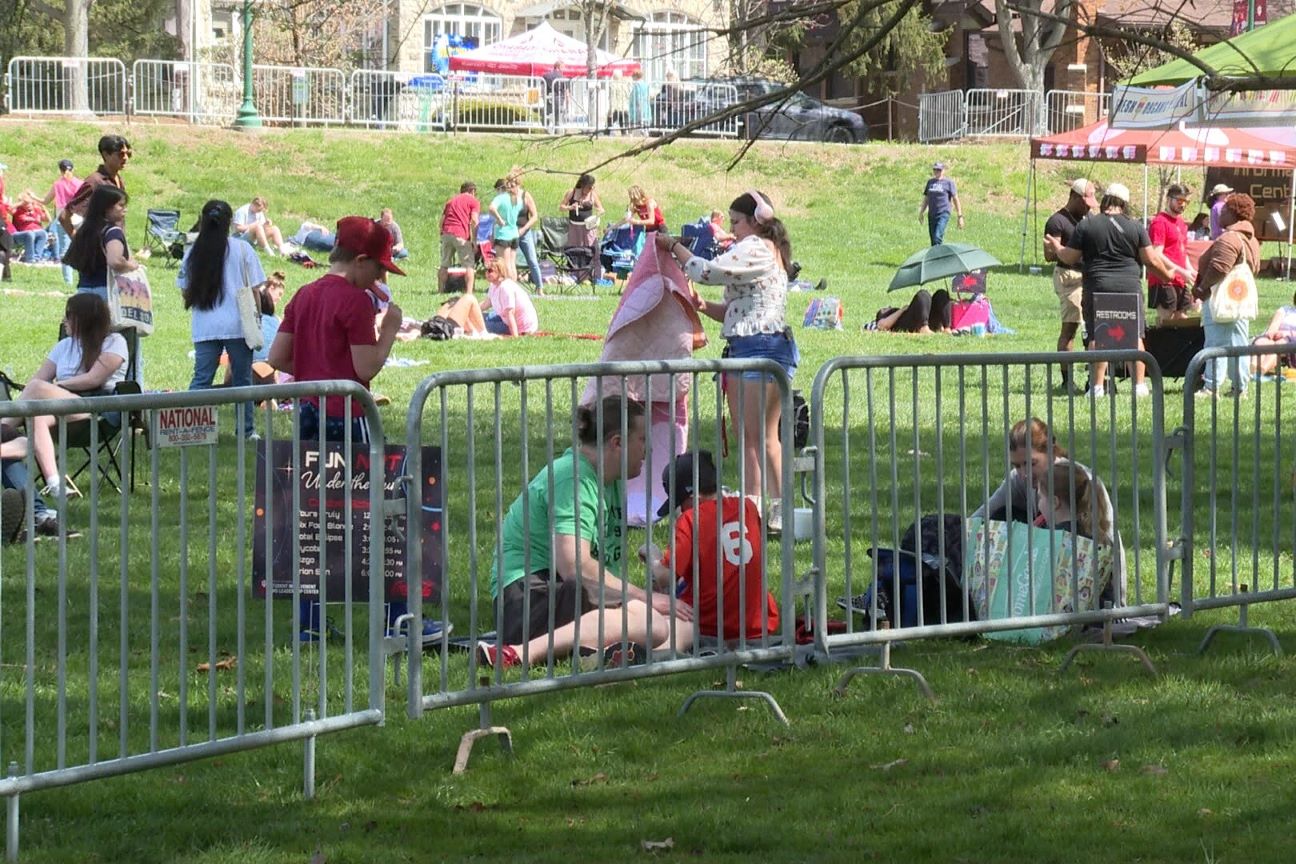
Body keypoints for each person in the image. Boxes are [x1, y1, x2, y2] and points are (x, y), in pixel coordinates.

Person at [266, 216, 417, 640]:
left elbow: (279, 356)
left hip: (309, 412)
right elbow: (366, 365)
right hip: (348, 416)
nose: (382, 277)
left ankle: (308, 622)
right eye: (381, 268)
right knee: (381, 517)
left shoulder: (304, 294)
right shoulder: (355, 301)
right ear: (362, 261)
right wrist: (388, 330)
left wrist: (320, 365)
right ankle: (397, 618)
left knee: (313, 519)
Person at [478, 397, 693, 670]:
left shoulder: (610, 481)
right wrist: (644, 597)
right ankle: (521, 653)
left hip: (569, 594)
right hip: (531, 595)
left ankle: (612, 654)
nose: (648, 449)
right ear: (617, 443)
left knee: (684, 623)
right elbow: (575, 567)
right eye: (641, 439)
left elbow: (602, 573)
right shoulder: (573, 478)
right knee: (650, 620)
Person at [656, 190, 796, 532]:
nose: (732, 230)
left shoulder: (756, 248)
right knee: (756, 438)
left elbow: (707, 271)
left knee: (757, 438)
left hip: (759, 349)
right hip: (757, 346)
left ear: (755, 221)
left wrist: (673, 246)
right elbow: (739, 312)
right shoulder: (763, 250)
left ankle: (768, 511)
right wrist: (705, 308)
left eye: (736, 222)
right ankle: (764, 510)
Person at [972, 418, 1126, 604]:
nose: (1024, 473)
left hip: (1083, 584)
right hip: (1048, 573)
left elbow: (1109, 544)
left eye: (1031, 463)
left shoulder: (1080, 481)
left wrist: (1118, 604)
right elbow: (981, 516)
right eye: (1017, 465)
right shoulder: (1018, 480)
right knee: (1002, 515)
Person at [1044, 182, 1176, 398]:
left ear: (1105, 201)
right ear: (1124, 204)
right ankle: (1139, 386)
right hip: (1129, 287)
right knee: (1134, 336)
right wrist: (1167, 276)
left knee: (1099, 335)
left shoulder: (1087, 225)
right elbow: (1151, 260)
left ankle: (1096, 388)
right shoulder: (1135, 227)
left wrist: (1056, 247)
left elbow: (1069, 257)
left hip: (1098, 286)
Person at [646, 450, 780, 642]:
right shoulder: (747, 507)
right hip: (758, 624)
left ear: (694, 496)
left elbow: (666, 577)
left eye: (681, 504)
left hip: (709, 625)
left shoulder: (691, 519)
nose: (680, 511)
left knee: (654, 618)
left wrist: (652, 556)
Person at [9, 294, 130, 499]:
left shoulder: (114, 342)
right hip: (63, 409)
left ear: (84, 319)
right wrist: (46, 389)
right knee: (36, 416)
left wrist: (53, 387)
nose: (64, 321)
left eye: (68, 316)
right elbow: (36, 380)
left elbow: (93, 379)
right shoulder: (64, 346)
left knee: (38, 387)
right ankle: (56, 485)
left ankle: (4, 426)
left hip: (97, 408)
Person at [177, 200, 265, 437]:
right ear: (229, 223)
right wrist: (257, 319)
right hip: (239, 324)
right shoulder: (243, 249)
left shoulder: (193, 252)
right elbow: (255, 289)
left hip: (205, 324)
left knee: (202, 378)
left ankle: (192, 429)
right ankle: (246, 431)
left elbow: (185, 290)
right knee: (242, 380)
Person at [1192, 192, 1261, 399]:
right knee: (1239, 342)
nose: (1220, 212)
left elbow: (1219, 268)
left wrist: (1201, 288)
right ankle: (1240, 388)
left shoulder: (1229, 238)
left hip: (1221, 299)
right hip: (1239, 299)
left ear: (1233, 213)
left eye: (1224, 209)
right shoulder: (1251, 239)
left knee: (1215, 343)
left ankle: (1211, 387)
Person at [1042, 179, 1097, 389]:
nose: (1087, 207)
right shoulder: (1057, 221)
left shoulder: (1088, 218)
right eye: (1085, 202)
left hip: (1088, 276)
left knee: (1092, 328)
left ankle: (1093, 377)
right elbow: (1049, 255)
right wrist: (1058, 249)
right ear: (1073, 197)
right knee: (1071, 327)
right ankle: (1067, 380)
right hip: (1069, 277)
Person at [62, 185, 138, 300]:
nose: (125, 209)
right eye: (121, 205)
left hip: (83, 292)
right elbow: (115, 261)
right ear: (107, 207)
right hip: (107, 292)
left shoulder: (85, 230)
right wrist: (131, 265)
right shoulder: (113, 232)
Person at [1147, 183, 1198, 324]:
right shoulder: (1159, 222)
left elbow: (1182, 251)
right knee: (1166, 320)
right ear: (1168, 199)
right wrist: (1181, 271)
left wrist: (1191, 270)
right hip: (1163, 278)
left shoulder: (1181, 223)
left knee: (1183, 319)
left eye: (1186, 202)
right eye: (1179, 201)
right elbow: (1157, 254)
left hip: (1180, 280)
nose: (1183, 205)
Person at [60, 134, 130, 236]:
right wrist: (77, 241)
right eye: (120, 154)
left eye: (128, 154)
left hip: (117, 241)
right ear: (106, 155)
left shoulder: (118, 179)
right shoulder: (95, 182)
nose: (125, 158)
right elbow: (64, 216)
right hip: (100, 245)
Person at [1034, 459, 1112, 545]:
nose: (1039, 504)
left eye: (1040, 497)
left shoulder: (1048, 541)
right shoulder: (1099, 536)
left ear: (1054, 502)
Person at [42, 159, 80, 284]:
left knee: (65, 250)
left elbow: (45, 201)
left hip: (63, 218)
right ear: (72, 169)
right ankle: (84, 277)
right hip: (79, 217)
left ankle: (68, 281)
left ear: (60, 170)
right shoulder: (80, 183)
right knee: (83, 247)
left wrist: (33, 197)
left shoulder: (57, 184)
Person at [439, 181, 479, 293]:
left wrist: (442, 234)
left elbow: (441, 222)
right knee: (469, 265)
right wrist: (474, 240)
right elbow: (474, 221)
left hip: (446, 233)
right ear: (473, 191)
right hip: (460, 234)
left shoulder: (450, 201)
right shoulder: (473, 201)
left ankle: (441, 290)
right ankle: (470, 292)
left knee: (444, 264)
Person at [482, 258, 538, 337]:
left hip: (519, 326)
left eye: (490, 271)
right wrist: (472, 310)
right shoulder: (493, 285)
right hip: (504, 318)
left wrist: (515, 336)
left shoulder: (505, 288)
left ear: (500, 272)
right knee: (478, 317)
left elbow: (510, 313)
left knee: (480, 325)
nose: (487, 273)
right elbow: (486, 304)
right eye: (486, 270)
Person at [1250, 290, 1296, 376]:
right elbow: (1273, 326)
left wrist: (1286, 334)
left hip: (1290, 340)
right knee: (1262, 342)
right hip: (1276, 337)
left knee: (1280, 344)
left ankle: (1262, 370)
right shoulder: (1285, 310)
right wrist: (1272, 334)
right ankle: (1253, 368)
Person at [867, 288, 952, 334]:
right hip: (911, 323)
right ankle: (923, 328)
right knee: (923, 295)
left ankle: (947, 327)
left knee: (941, 294)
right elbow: (882, 325)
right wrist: (902, 310)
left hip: (926, 319)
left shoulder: (890, 312)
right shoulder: (884, 313)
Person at [918, 161, 963, 246]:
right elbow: (926, 198)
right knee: (933, 240)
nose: (936, 171)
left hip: (943, 213)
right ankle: (936, 257)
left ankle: (939, 256)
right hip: (932, 214)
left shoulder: (948, 183)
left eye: (939, 170)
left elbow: (955, 199)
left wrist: (960, 216)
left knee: (937, 237)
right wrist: (921, 212)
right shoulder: (930, 182)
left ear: (943, 170)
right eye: (935, 169)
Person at [488, 176, 524, 282]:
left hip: (503, 234)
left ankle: (508, 287)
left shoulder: (501, 198)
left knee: (504, 264)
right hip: (514, 233)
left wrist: (499, 219)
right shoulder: (518, 200)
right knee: (512, 264)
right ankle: (514, 286)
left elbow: (491, 208)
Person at [560, 173, 604, 252]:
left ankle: (590, 263)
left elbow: (601, 208)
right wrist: (570, 207)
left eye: (592, 187)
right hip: (574, 226)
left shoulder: (592, 194)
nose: (591, 189)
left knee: (590, 247)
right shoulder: (572, 193)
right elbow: (561, 207)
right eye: (589, 188)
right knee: (574, 248)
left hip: (588, 227)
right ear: (583, 186)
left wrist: (598, 213)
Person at [513, 176, 543, 293]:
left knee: (532, 260)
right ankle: (510, 287)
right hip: (511, 232)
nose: (511, 187)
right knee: (509, 261)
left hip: (525, 232)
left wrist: (524, 229)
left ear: (518, 184)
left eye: (513, 185)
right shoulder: (507, 197)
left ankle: (539, 287)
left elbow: (534, 216)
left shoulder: (526, 196)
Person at [10, 191, 50, 264]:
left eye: (30, 203)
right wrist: (21, 203)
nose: (29, 205)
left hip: (37, 232)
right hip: (23, 233)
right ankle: (30, 259)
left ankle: (37, 258)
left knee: (43, 233)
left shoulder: (36, 210)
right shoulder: (18, 211)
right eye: (26, 203)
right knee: (30, 234)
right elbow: (8, 209)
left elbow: (48, 220)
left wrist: (44, 208)